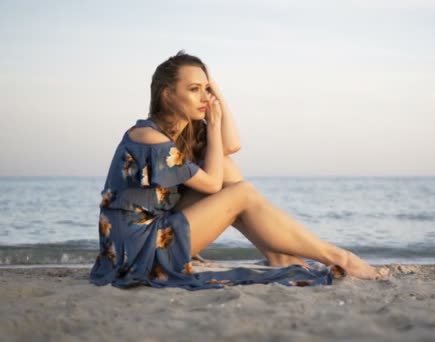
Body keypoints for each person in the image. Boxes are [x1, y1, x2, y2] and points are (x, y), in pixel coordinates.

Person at [90, 50, 386, 289]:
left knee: (228, 168)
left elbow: (231, 146)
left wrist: (214, 93)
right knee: (241, 192)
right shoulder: (150, 137)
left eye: (207, 90)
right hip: (136, 253)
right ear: (167, 94)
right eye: (194, 90)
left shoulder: (180, 135)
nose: (205, 97)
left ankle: (277, 254)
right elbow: (210, 184)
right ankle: (339, 256)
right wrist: (214, 123)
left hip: (148, 238)